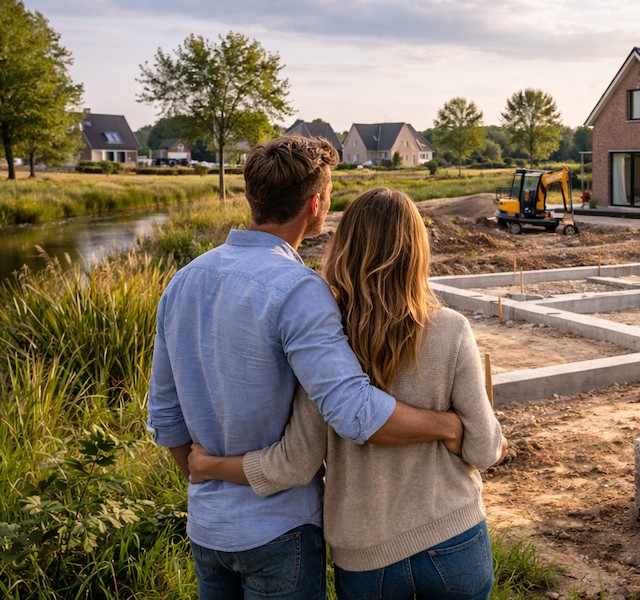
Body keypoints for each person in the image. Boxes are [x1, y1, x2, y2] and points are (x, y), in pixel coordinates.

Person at [147, 137, 463, 599]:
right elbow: (353, 412)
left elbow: (165, 416)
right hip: (280, 531)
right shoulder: (298, 289)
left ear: (252, 196)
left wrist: (203, 477)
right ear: (315, 205)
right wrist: (447, 425)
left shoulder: (183, 280)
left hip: (208, 531)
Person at [190, 186, 505, 600]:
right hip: (454, 539)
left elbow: (294, 464)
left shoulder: (324, 339)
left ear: (345, 249)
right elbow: (484, 450)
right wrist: (451, 428)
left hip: (366, 559)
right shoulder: (450, 329)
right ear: (417, 250)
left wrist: (210, 466)